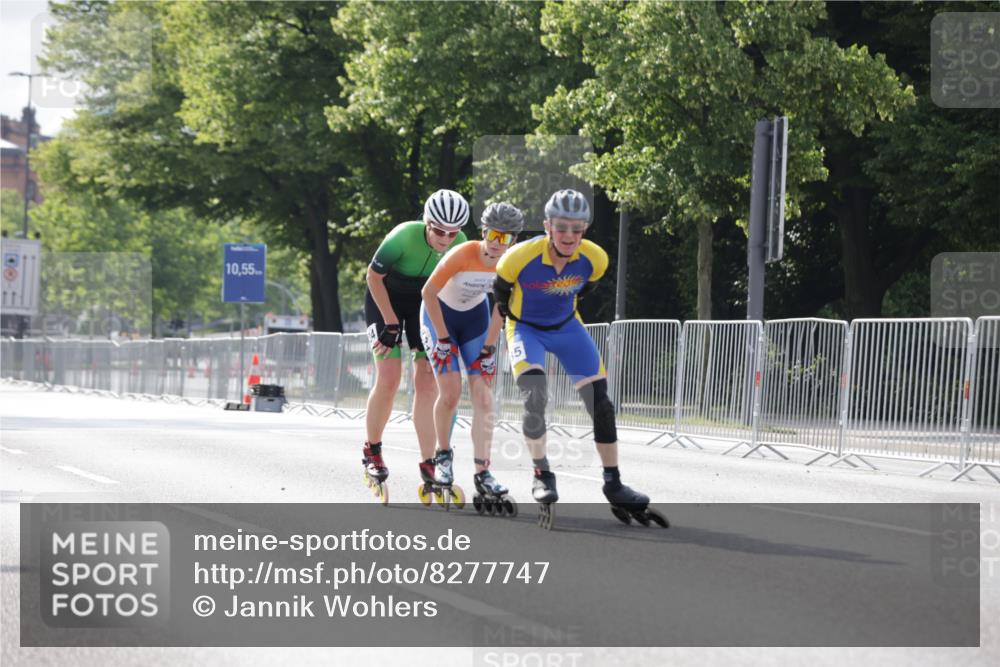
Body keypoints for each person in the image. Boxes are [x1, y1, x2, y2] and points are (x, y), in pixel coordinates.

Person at [493, 189, 660, 527]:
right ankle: (542, 474)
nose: (569, 236)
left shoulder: (595, 259)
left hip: (568, 327)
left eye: (577, 228)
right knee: (535, 396)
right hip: (525, 329)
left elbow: (586, 290)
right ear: (547, 226)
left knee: (601, 404)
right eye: (561, 227)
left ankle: (614, 483)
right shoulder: (517, 258)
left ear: (584, 229)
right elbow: (501, 296)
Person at [361, 189, 469, 493]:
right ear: (427, 222)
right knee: (389, 378)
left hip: (423, 304)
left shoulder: (460, 244)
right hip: (386, 299)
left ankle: (428, 462)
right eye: (439, 231)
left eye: (452, 233)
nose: (446, 239)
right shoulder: (403, 236)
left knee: (427, 382)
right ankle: (372, 450)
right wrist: (390, 322)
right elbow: (373, 277)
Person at [419, 202, 524, 509]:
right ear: (483, 231)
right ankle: (442, 456)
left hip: (475, 321)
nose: (497, 243)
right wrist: (442, 338)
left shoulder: (511, 264)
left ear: (514, 240)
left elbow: (501, 306)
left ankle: (483, 471)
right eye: (492, 235)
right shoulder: (462, 253)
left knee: (484, 397)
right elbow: (428, 293)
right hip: (439, 317)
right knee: (450, 392)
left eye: (505, 238)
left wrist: (489, 348)